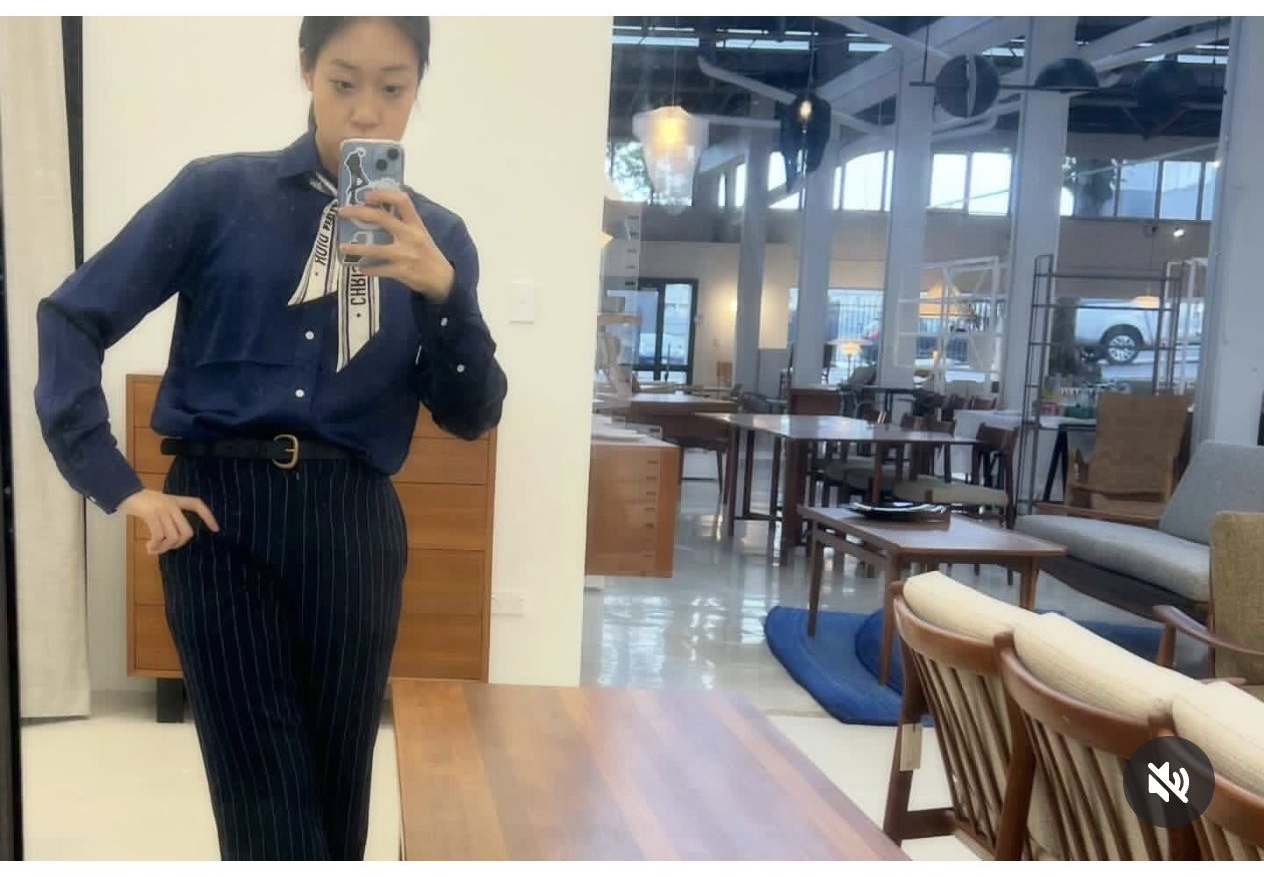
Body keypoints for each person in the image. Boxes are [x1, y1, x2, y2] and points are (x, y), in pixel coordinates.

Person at [33, 16, 507, 860]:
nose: (366, 111)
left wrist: (445, 295)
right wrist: (115, 481)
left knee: (338, 787)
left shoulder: (440, 238)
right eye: (343, 82)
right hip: (220, 520)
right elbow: (73, 315)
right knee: (263, 794)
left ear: (418, 88)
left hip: (354, 523)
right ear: (306, 71)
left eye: (393, 87)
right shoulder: (216, 193)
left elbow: (471, 413)